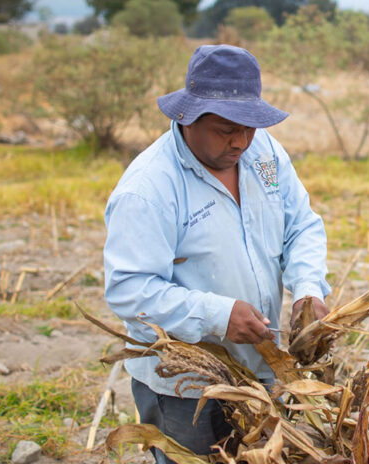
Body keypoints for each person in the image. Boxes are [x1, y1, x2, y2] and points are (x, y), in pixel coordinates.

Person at [103, 44, 331, 461]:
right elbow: (129, 290)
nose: (241, 140)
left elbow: (302, 225)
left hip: (261, 369)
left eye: (250, 126)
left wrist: (308, 286)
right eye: (227, 128)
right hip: (187, 387)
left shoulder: (264, 155)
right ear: (187, 117)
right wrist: (218, 316)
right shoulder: (148, 189)